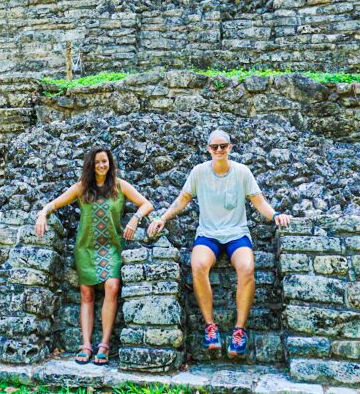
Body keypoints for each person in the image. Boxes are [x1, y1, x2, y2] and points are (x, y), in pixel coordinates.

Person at [147, 129, 291, 358]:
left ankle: (239, 330)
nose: (219, 150)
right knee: (198, 266)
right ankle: (210, 327)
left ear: (230, 147)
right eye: (214, 147)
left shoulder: (242, 172)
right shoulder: (199, 172)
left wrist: (275, 216)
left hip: (236, 233)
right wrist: (162, 218)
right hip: (209, 233)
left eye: (223, 146)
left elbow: (258, 201)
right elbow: (182, 200)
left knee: (247, 268)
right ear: (208, 149)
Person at [35, 147, 154, 366]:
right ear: (91, 165)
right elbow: (55, 203)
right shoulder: (82, 187)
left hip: (111, 247)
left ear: (110, 164)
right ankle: (86, 344)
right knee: (87, 294)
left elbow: (147, 204)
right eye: (97, 162)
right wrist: (43, 213)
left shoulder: (119, 185)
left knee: (112, 287)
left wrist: (135, 218)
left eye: (105, 162)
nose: (101, 166)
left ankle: (105, 344)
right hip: (86, 248)